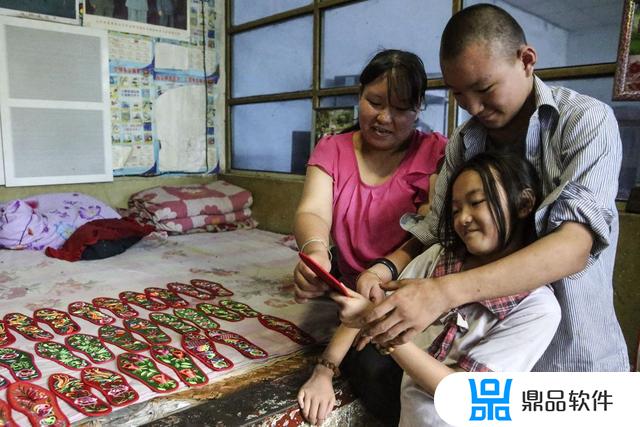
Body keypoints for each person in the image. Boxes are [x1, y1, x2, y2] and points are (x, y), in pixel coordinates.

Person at [356, 3, 629, 372]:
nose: (473, 107)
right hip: (487, 351)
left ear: (526, 60)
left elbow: (572, 247)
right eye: (458, 95)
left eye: (483, 89)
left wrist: (443, 292)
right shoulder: (465, 142)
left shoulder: (585, 122)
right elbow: (434, 230)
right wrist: (384, 270)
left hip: (570, 355)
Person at [299, 151, 560, 426]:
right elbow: (375, 305)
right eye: (456, 209)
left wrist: (376, 325)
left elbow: (464, 396)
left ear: (524, 203)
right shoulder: (440, 257)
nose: (463, 219)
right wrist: (325, 369)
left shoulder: (538, 308)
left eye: (476, 202)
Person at [293, 49, 447, 424]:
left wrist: (325, 369)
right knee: (373, 367)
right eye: (374, 102)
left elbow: (430, 232)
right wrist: (315, 251)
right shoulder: (333, 148)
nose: (384, 118)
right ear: (358, 95)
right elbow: (312, 211)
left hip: (408, 288)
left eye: (401, 108)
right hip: (353, 291)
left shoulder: (434, 151)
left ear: (419, 108)